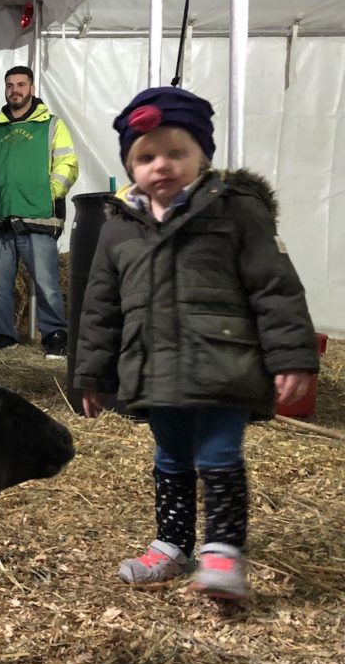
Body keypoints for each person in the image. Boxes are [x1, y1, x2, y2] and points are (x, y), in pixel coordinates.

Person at [73, 86, 319, 600]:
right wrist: (91, 375)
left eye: (176, 152)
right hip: (154, 368)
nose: (160, 165)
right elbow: (100, 309)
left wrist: (292, 357)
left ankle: (222, 554)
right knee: (170, 457)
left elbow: (275, 288)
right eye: (145, 156)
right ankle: (172, 544)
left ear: (203, 155)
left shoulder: (237, 213)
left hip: (225, 362)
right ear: (129, 164)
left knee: (219, 453)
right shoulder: (119, 230)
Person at [0, 66, 78, 358]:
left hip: (38, 217)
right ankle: (3, 335)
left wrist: (49, 193)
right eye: (9, 85)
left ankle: (55, 336)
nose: (14, 90)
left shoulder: (52, 125)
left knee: (46, 282)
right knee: (0, 283)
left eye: (20, 84)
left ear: (31, 88)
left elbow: (67, 164)